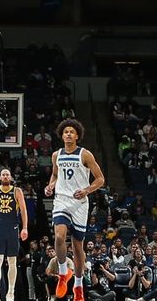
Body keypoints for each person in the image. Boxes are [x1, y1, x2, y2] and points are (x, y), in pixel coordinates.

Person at [45, 119, 106, 300]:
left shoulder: (85, 154)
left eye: (72, 132)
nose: (69, 134)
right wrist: (50, 186)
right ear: (62, 135)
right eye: (66, 132)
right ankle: (63, 274)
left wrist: (87, 190)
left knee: (78, 247)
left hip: (80, 203)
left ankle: (78, 285)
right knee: (58, 236)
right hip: (62, 200)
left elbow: (100, 179)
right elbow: (55, 175)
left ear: (77, 135)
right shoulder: (56, 155)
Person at [0, 168, 31, 301]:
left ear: (11, 177)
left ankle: (11, 292)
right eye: (3, 174)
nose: (5, 176)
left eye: (7, 174)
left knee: (12, 261)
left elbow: (24, 211)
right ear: (0, 177)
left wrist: (24, 228)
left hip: (13, 228)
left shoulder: (17, 191)